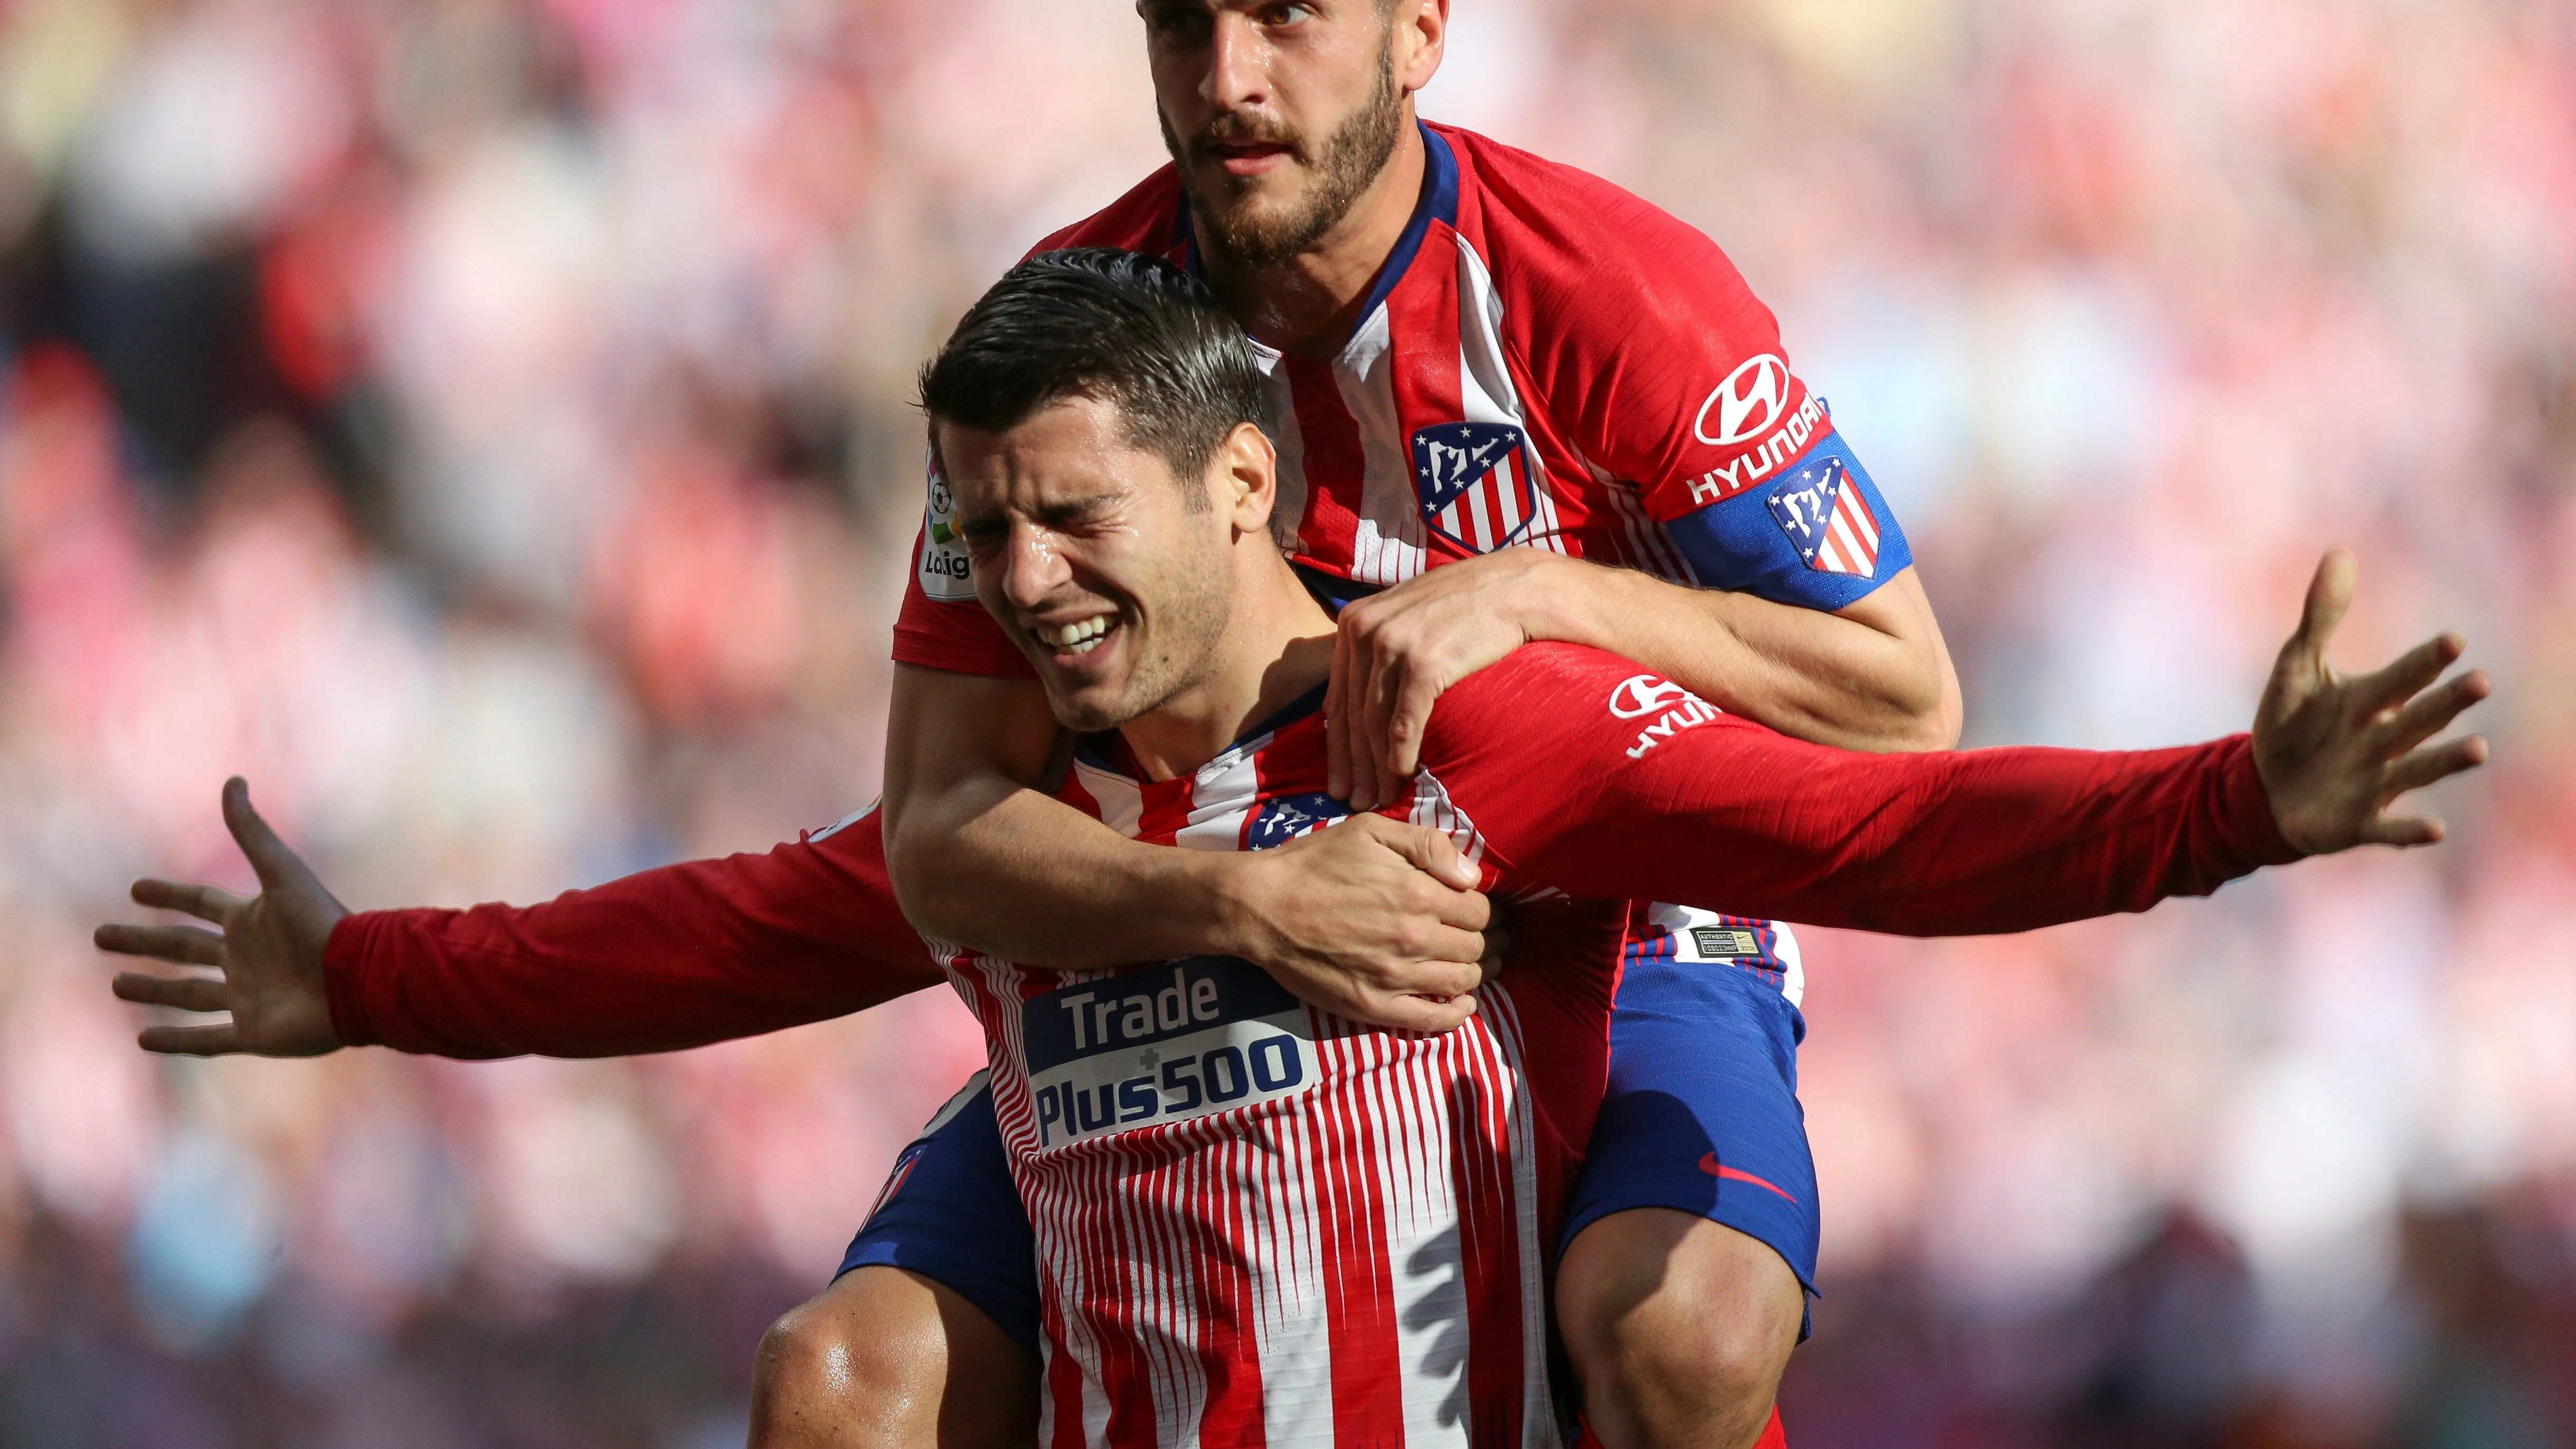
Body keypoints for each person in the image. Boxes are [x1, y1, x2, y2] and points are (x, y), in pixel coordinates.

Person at [111, 252, 2491, 1449]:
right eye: (973, 530)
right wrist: (382, 973)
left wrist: (2223, 806)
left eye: (1068, 515)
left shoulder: (1469, 731)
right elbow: (731, 925)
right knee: (827, 1378)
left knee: (1681, 1331)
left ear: (1241, 482)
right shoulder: (1010, 829)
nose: (1015, 578)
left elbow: (1874, 819)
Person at [107, 2, 1971, 1445]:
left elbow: (1905, 706)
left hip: (1595, 913)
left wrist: (1544, 591)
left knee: (1685, 1333)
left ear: (1422, 27)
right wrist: (1250, 912)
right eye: (1180, 24)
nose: (1229, 77)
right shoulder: (1057, 347)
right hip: (1197, 928)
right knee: (840, 1389)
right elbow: (928, 842)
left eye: (1287, 18)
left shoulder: (1610, 296)